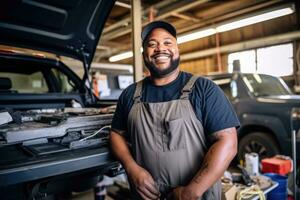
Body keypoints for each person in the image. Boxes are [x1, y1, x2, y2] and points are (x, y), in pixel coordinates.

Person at [110, 20, 239, 200]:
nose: (160, 48)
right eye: (152, 44)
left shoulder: (203, 89)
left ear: (177, 49)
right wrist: (132, 169)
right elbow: (116, 134)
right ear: (144, 53)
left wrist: (191, 192)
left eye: (167, 43)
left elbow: (228, 142)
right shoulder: (130, 94)